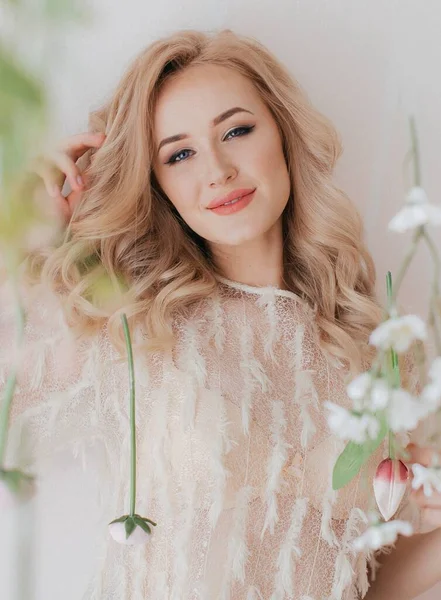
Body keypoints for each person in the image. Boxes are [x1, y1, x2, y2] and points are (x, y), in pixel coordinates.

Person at [0, 28, 421, 600]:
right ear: (157, 183)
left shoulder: (373, 349)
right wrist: (29, 237)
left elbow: (367, 578)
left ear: (284, 135)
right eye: (179, 153)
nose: (217, 168)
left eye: (237, 130)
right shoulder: (131, 327)